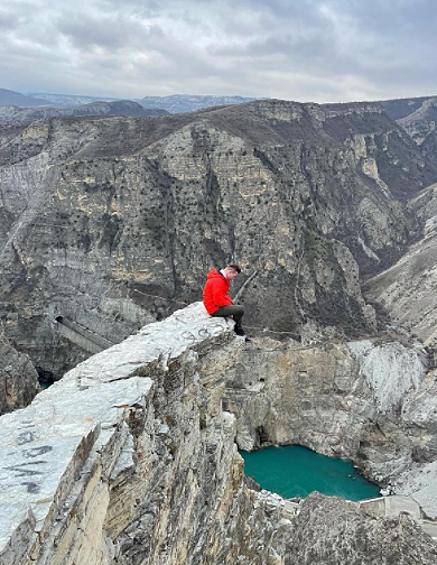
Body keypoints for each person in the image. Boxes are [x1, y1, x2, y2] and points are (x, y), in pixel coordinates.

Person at [202, 264, 250, 340]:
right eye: (234, 276)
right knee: (240, 309)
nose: (233, 278)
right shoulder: (218, 281)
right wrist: (228, 304)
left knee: (234, 305)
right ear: (230, 272)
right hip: (214, 309)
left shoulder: (219, 277)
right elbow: (218, 301)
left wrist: (229, 302)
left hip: (213, 305)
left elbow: (222, 295)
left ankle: (237, 327)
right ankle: (237, 329)